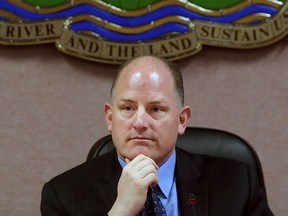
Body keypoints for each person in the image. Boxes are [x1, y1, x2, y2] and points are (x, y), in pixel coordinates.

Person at [41, 55, 273, 216]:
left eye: (156, 109)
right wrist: (120, 211)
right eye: (128, 108)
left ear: (182, 120)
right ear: (110, 118)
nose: (140, 123)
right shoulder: (63, 195)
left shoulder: (237, 183)